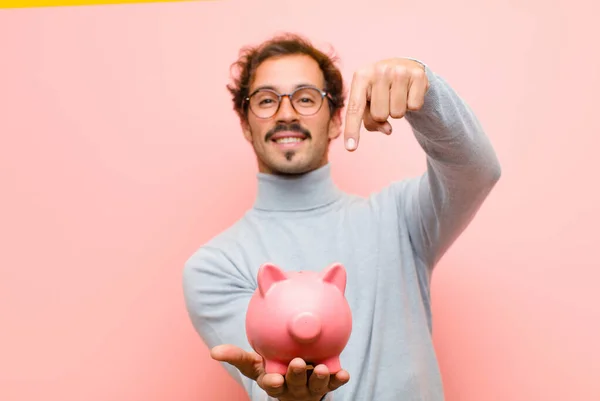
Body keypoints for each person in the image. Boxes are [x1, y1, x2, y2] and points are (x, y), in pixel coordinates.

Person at [182, 32, 501, 401]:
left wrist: (424, 92)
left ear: (336, 120)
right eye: (266, 100)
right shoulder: (213, 267)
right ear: (245, 124)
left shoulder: (399, 218)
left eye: (305, 98)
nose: (286, 114)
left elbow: (477, 171)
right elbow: (271, 384)